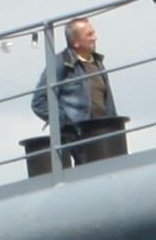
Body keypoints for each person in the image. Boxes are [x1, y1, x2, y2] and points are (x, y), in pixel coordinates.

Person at [32, 17, 128, 171]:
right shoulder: (61, 63)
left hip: (103, 131)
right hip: (79, 135)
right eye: (89, 34)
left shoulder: (97, 62)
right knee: (88, 172)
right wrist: (66, 123)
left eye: (93, 33)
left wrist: (115, 128)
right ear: (76, 42)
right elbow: (39, 102)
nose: (95, 38)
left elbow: (107, 101)